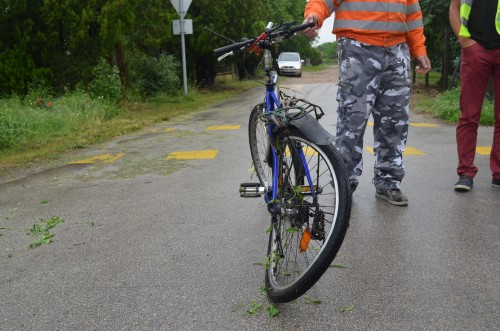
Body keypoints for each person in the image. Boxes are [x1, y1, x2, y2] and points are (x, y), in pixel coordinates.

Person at [302, 1, 431, 206]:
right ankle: (346, 181)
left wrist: (419, 49)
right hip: (357, 47)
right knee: (353, 119)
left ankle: (389, 182)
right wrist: (314, 16)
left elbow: (412, 14)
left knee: (394, 121)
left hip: (397, 51)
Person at [449, 0, 500, 191]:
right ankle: (465, 173)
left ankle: (499, 174)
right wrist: (464, 40)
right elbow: (454, 7)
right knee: (469, 115)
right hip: (475, 48)